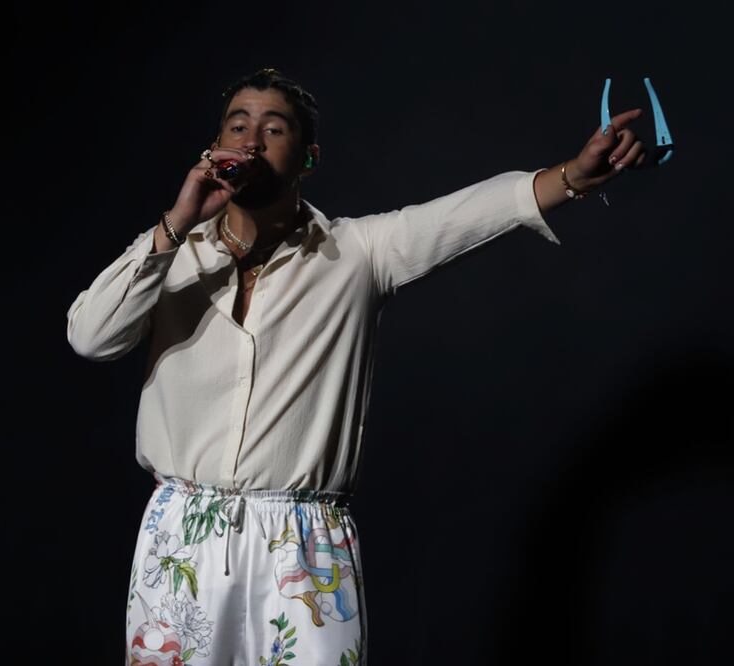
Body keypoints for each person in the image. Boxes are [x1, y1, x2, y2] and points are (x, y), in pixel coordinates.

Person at [66, 68, 647, 665]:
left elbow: (467, 214)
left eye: (274, 129)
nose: (251, 140)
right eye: (238, 125)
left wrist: (572, 177)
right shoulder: (170, 253)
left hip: (302, 545)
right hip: (181, 535)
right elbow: (91, 338)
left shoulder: (358, 254)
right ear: (213, 147)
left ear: (308, 158)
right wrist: (175, 223)